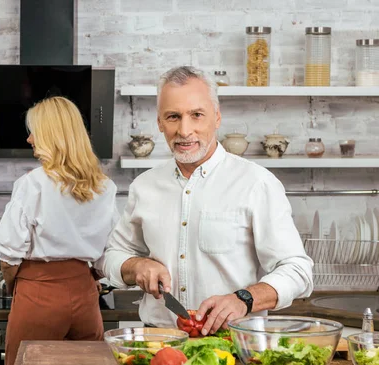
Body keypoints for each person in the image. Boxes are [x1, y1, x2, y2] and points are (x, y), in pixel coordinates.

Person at [98, 66, 313, 334]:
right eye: (173, 117)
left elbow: (297, 270)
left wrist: (244, 299)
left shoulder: (257, 183)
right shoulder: (144, 186)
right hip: (159, 341)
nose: (185, 130)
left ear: (217, 118)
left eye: (197, 115)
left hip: (233, 342)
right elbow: (112, 256)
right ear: (160, 123)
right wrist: (137, 265)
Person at [0, 96, 118, 365]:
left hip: (39, 295)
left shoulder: (32, 184)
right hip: (86, 297)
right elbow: (108, 252)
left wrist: (17, 286)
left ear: (51, 135)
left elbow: (8, 257)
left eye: (35, 130)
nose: (29, 138)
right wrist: (88, 277)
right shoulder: (104, 186)